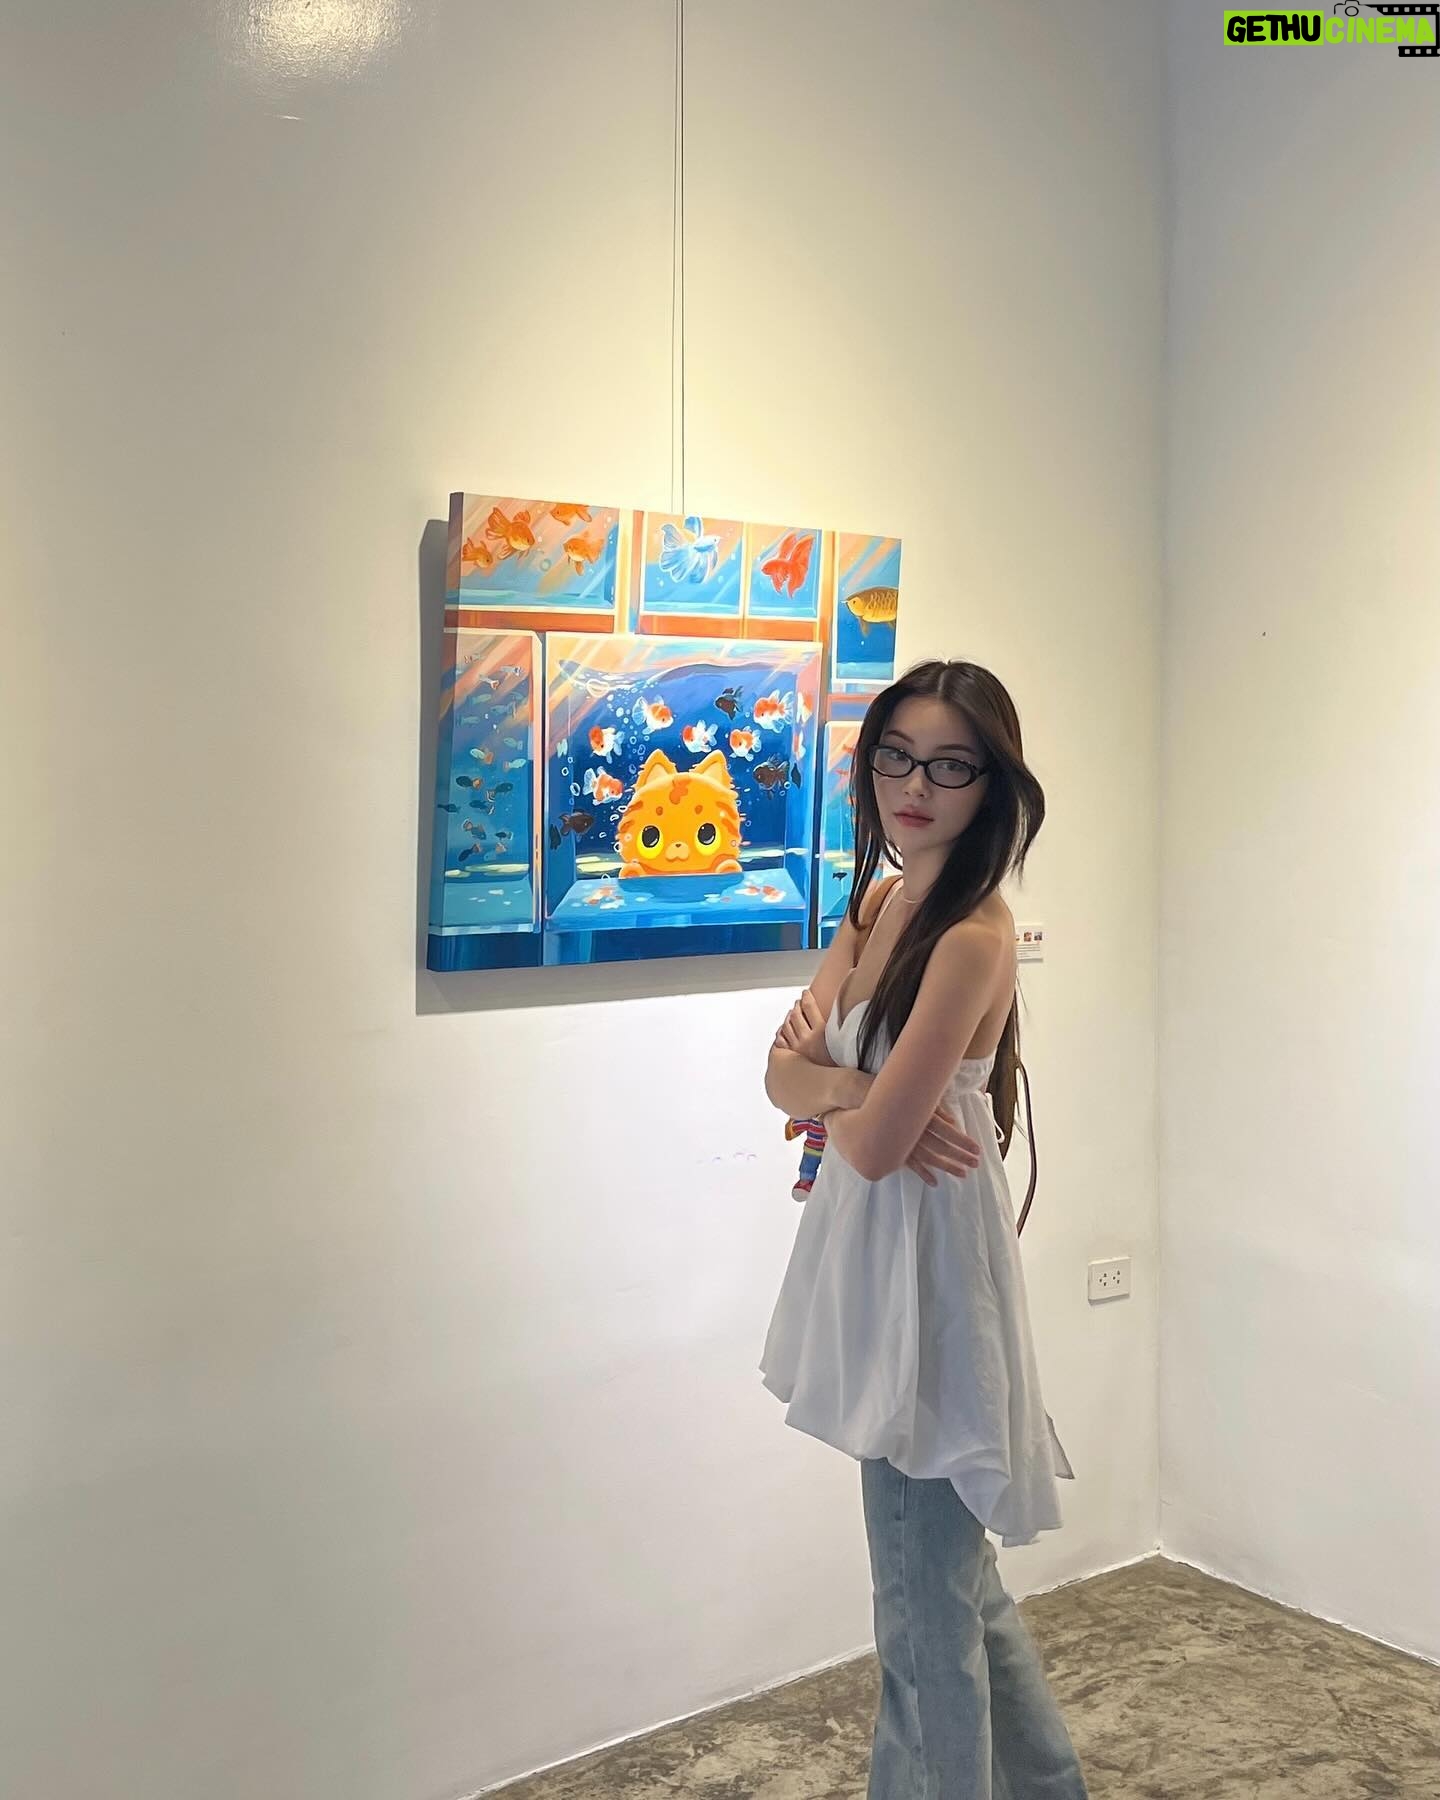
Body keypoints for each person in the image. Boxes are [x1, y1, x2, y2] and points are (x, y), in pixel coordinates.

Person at [759, 659, 1089, 1799]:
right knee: (952, 1585)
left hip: (927, 1276)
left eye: (950, 766)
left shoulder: (973, 938)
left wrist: (835, 1092)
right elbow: (778, 1079)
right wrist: (852, 1089)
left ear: (993, 783)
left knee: (919, 1606)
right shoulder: (876, 905)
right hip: (872, 1258)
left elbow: (873, 1143)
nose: (914, 786)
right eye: (896, 756)